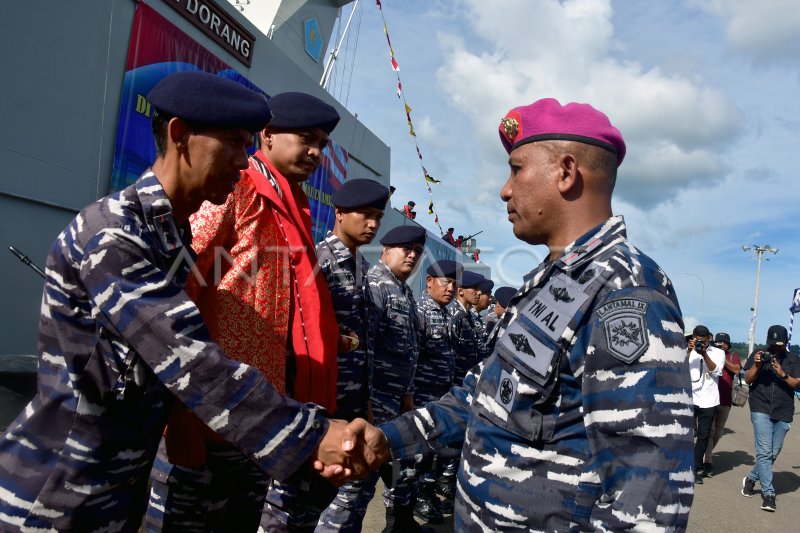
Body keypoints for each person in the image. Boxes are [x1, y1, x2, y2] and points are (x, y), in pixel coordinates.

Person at [0, 72, 363, 532]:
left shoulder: (172, 236)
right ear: (179, 136)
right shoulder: (115, 234)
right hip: (59, 489)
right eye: (232, 143)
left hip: (117, 481)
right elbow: (188, 357)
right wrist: (311, 436)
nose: (242, 159)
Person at [347, 98, 695, 530]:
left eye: (516, 168)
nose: (504, 190)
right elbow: (485, 394)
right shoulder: (552, 282)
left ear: (566, 172)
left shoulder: (625, 291)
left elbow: (649, 499)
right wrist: (388, 439)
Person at [144, 90, 343, 532]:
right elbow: (176, 297)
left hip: (257, 416)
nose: (314, 152)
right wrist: (182, 419)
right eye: (306, 138)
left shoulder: (293, 208)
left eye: (322, 145)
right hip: (205, 414)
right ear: (267, 137)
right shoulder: (235, 187)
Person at [315, 178, 390, 532]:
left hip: (354, 406)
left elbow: (366, 343)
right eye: (365, 214)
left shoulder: (361, 269)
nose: (373, 224)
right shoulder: (321, 263)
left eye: (378, 216)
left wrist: (368, 403)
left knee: (348, 502)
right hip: (323, 407)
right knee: (306, 506)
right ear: (340, 213)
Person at [365, 225, 428, 531]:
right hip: (375, 402)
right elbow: (365, 347)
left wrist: (408, 395)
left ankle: (397, 525)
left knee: (402, 470)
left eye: (416, 251)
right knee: (357, 485)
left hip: (396, 401)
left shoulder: (402, 290)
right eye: (406, 249)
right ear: (385, 250)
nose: (412, 255)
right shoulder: (376, 285)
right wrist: (364, 402)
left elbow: (410, 351)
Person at [412, 259, 462, 524]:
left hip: (441, 395)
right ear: (429, 282)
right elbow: (411, 356)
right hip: (422, 394)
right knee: (420, 449)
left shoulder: (446, 314)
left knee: (435, 448)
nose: (450, 287)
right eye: (446, 281)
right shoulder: (420, 312)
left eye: (454, 283)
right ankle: (417, 495)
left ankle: (427, 490)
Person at [741, 325, 800, 512]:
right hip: (760, 405)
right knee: (765, 451)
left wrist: (782, 373)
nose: (774, 348)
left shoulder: (794, 359)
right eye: (771, 345)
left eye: (778, 345)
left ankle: (750, 479)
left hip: (784, 409)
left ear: (786, 343)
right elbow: (747, 379)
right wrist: (758, 365)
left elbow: (796, 383)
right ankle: (769, 494)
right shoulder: (758, 354)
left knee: (773, 453)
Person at [687, 324, 725, 484]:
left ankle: (694, 469)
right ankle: (680, 465)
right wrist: (689, 351)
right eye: (697, 340)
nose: (700, 343)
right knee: (685, 434)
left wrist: (704, 354)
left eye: (703, 340)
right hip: (689, 397)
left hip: (709, 400)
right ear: (693, 338)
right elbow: (678, 367)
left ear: (709, 338)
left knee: (703, 437)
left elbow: (717, 372)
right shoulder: (687, 349)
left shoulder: (719, 352)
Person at [702, 331, 741, 477]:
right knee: (709, 432)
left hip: (725, 400)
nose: (722, 344)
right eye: (719, 342)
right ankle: (708, 462)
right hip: (710, 398)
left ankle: (705, 455)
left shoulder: (732, 356)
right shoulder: (709, 353)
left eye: (724, 342)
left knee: (717, 433)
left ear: (728, 344)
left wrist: (723, 357)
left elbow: (737, 370)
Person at [448, 270, 486, 385]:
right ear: (460, 291)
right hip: (454, 383)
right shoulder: (454, 314)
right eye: (475, 288)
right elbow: (450, 354)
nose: (479, 292)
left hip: (465, 381)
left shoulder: (468, 315)